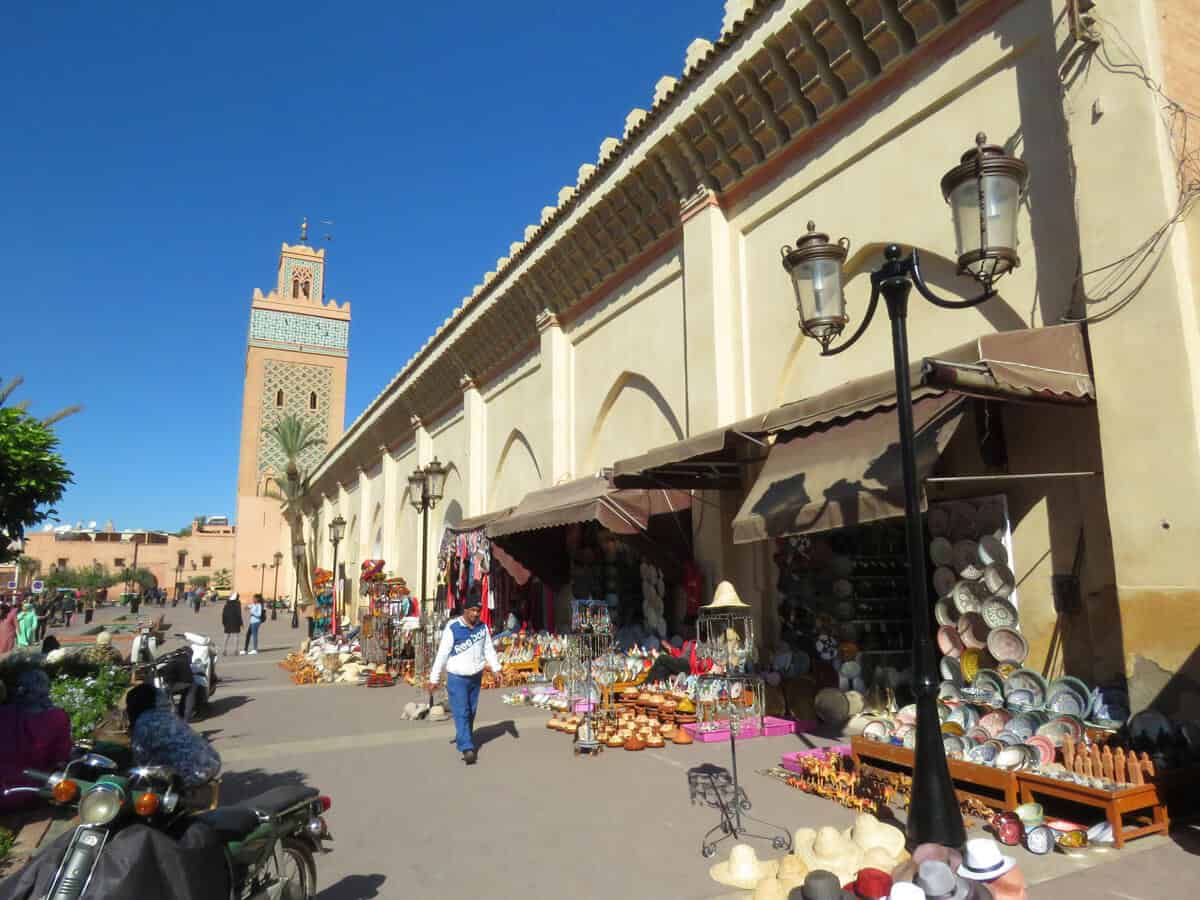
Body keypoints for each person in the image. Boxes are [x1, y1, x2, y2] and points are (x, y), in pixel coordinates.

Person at [428, 586, 502, 765]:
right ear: (466, 610)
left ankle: (463, 735)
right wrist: (434, 678)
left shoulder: (482, 628)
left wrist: (496, 668)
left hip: (475, 677)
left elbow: (488, 649)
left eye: (479, 611)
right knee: (461, 711)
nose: (476, 614)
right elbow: (442, 654)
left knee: (471, 712)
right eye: (473, 611)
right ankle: (467, 747)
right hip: (457, 678)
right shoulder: (453, 628)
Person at [125, 683, 221, 789]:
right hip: (211, 762)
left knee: (139, 780)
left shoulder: (143, 723)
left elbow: (140, 759)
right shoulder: (167, 716)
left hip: (193, 774)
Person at [221, 593, 243, 657]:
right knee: (236, 636)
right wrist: (241, 623)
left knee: (226, 636)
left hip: (227, 621)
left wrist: (223, 622)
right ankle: (235, 650)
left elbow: (223, 614)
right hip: (235, 621)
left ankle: (224, 650)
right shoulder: (238, 604)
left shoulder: (227, 604)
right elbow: (239, 614)